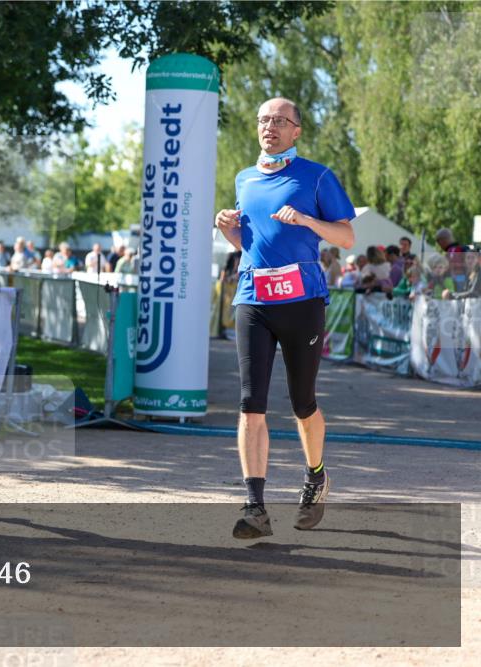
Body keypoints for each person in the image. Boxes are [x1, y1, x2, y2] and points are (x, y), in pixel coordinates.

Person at [215, 97, 355, 540]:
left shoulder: (317, 176)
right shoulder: (245, 178)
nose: (268, 126)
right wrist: (228, 230)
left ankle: (315, 476)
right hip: (253, 298)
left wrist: (309, 220)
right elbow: (252, 244)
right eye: (262, 120)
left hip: (302, 301)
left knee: (302, 403)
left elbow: (347, 237)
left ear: (296, 130)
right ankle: (255, 506)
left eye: (278, 120)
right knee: (250, 403)